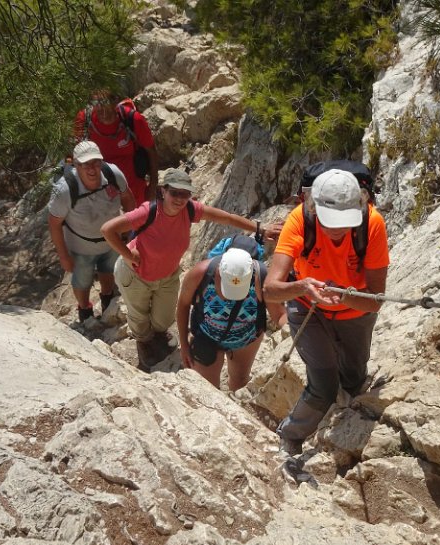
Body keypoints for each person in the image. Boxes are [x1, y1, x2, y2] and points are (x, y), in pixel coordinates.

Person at [264, 168, 390, 456]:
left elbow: (375, 299)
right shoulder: (300, 221)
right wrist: (302, 287)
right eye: (331, 220)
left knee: (355, 377)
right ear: (313, 207)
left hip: (355, 314)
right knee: (323, 383)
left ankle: (346, 427)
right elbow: (270, 290)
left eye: (344, 221)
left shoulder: (371, 224)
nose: (337, 229)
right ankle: (290, 437)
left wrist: (344, 295)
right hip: (308, 308)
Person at [100, 167, 265, 372]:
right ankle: (144, 344)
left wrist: (259, 229)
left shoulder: (190, 210)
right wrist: (127, 254)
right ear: (163, 191)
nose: (179, 199)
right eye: (175, 192)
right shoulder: (148, 211)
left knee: (163, 318)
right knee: (139, 316)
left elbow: (228, 218)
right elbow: (107, 230)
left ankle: (158, 336)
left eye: (185, 194)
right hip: (136, 275)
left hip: (167, 276)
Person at [176, 245, 286, 391]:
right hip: (207, 338)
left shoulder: (261, 278)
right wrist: (184, 345)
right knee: (206, 388)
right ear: (220, 271)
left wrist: (293, 332)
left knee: (240, 382)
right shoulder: (201, 274)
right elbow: (183, 305)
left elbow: (279, 315)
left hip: (246, 339)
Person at [48, 140, 136, 323]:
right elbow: (54, 224)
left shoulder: (112, 174)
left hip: (112, 241)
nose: (92, 168)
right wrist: (63, 256)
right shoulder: (64, 190)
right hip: (81, 247)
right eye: (85, 164)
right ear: (75, 165)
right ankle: (85, 308)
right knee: (82, 280)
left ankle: (107, 297)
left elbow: (127, 197)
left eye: (96, 162)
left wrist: (129, 231)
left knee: (108, 271)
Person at [75, 89, 158, 204]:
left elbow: (151, 152)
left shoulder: (132, 119)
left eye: (105, 102)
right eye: (96, 103)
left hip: (134, 190)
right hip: (99, 193)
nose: (102, 110)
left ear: (115, 101)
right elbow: (74, 154)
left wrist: (153, 186)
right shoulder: (84, 120)